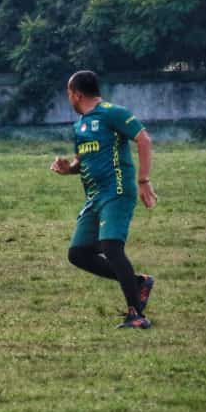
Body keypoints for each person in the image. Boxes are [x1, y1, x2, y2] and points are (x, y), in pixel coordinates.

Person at [50, 70, 158, 329]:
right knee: (78, 253)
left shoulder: (112, 113)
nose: (69, 99)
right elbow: (82, 160)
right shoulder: (79, 125)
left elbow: (143, 139)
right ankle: (138, 282)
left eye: (68, 93)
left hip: (117, 192)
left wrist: (143, 180)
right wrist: (69, 168)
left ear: (76, 93)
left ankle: (136, 315)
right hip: (94, 198)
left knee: (111, 247)